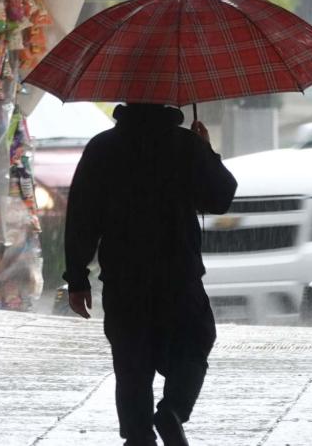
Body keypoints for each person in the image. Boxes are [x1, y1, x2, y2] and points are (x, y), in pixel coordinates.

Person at [63, 104, 237, 446]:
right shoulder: (185, 145)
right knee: (195, 342)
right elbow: (221, 197)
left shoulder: (103, 148)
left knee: (131, 362)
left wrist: (77, 277)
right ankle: (173, 409)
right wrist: (207, 151)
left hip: (123, 276)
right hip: (179, 273)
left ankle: (138, 435)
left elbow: (82, 217)